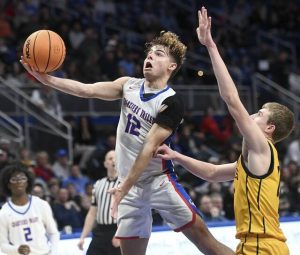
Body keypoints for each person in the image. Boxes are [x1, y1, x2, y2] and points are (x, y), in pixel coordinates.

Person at [20, 30, 234, 255]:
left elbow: (149, 147)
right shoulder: (128, 85)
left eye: (158, 54)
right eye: (149, 53)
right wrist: (47, 79)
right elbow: (87, 90)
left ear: (171, 66)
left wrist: (125, 186)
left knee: (206, 243)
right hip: (128, 188)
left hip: (157, 181)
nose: (149, 57)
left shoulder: (171, 101)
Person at [156, 7, 295, 255]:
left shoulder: (262, 147)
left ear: (269, 129)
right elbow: (212, 172)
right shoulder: (252, 160)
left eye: (259, 115)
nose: (252, 115)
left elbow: (231, 99)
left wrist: (210, 45)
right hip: (254, 246)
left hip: (264, 248)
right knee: (209, 246)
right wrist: (177, 157)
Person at [0, 162, 59, 255]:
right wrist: (17, 249)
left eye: (22, 178)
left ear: (27, 183)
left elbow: (53, 233)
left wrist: (54, 252)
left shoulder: (41, 204)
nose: (19, 181)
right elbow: (3, 245)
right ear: (8, 185)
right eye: (14, 179)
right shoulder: (3, 212)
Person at [78, 150, 121, 255]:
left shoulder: (124, 183)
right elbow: (92, 213)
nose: (113, 161)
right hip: (100, 231)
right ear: (105, 163)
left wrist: (121, 234)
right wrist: (83, 237)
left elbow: (131, 212)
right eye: (110, 159)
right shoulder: (98, 184)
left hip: (117, 229)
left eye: (116, 158)